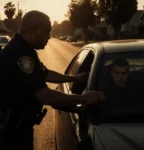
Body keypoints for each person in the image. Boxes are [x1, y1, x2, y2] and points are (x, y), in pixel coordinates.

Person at [0, 10, 104, 150]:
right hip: (12, 133)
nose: (49, 37)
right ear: (34, 31)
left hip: (17, 128)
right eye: (46, 31)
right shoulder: (20, 55)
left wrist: (75, 78)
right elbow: (44, 95)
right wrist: (82, 98)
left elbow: (45, 74)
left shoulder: (24, 50)